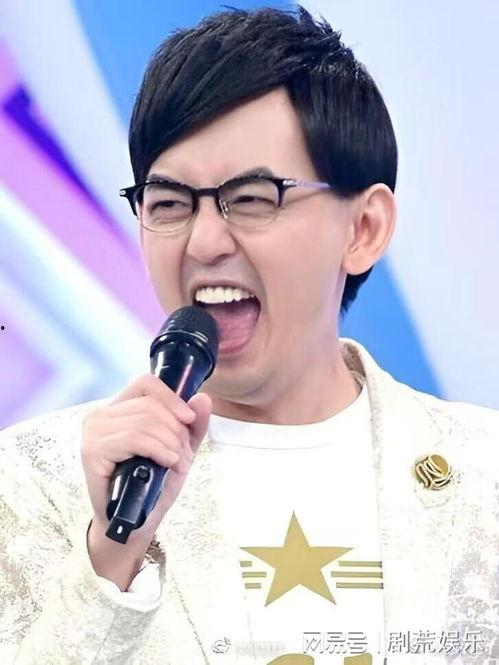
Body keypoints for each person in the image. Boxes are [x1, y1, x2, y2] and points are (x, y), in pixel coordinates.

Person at [0, 6, 497, 665]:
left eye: (254, 197)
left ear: (364, 229)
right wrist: (111, 557)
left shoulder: (483, 473)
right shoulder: (35, 477)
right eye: (168, 203)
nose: (204, 241)